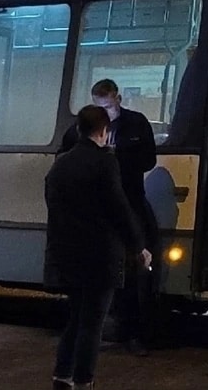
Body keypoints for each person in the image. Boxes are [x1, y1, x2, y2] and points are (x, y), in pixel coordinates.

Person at [43, 103, 152, 390]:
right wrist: (138, 246)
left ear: (78, 129)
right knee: (92, 324)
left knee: (75, 320)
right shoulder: (105, 163)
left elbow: (52, 202)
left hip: (66, 254)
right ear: (104, 131)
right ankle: (82, 388)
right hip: (98, 256)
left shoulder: (61, 163)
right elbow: (119, 208)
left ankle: (59, 385)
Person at [63, 77, 159, 353]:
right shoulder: (90, 126)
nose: (105, 110)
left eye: (107, 104)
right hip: (107, 206)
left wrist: (120, 157)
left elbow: (148, 159)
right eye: (99, 106)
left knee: (135, 274)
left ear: (117, 97)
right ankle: (119, 330)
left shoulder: (136, 123)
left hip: (130, 198)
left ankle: (135, 332)